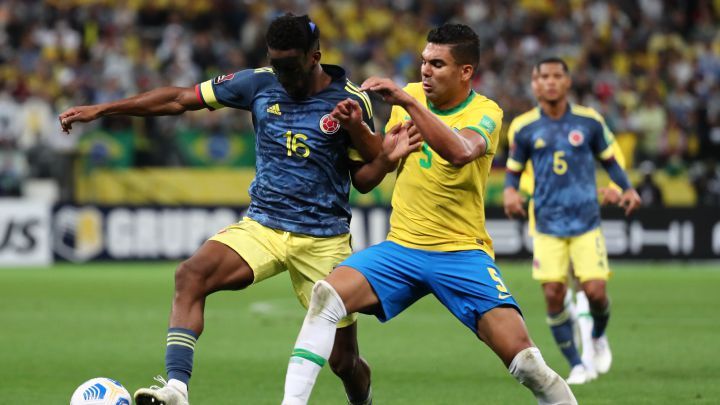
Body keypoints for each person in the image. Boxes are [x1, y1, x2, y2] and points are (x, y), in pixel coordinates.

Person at [59, 14, 421, 405]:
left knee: (343, 362)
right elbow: (180, 99)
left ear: (315, 56)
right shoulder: (258, 82)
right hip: (262, 226)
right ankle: (177, 387)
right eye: (275, 63)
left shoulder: (351, 100)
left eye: (290, 66)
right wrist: (103, 109)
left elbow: (364, 180)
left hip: (323, 238)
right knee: (191, 275)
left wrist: (376, 151)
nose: (281, 74)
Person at [281, 24, 577, 405]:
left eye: (437, 64)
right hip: (401, 249)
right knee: (326, 297)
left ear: (465, 71)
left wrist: (407, 102)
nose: (425, 70)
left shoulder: (486, 111)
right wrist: (365, 134)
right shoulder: (412, 98)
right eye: (424, 61)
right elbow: (379, 163)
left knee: (528, 364)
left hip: (461, 254)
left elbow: (460, 152)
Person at [504, 57, 642, 385]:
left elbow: (610, 160)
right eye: (543, 77)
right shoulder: (523, 127)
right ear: (534, 84)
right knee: (553, 293)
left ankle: (597, 335)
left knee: (595, 292)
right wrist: (510, 192)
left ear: (567, 82)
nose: (550, 82)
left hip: (585, 222)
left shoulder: (589, 122)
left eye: (556, 76)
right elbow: (513, 170)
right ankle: (576, 363)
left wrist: (626, 188)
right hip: (548, 223)